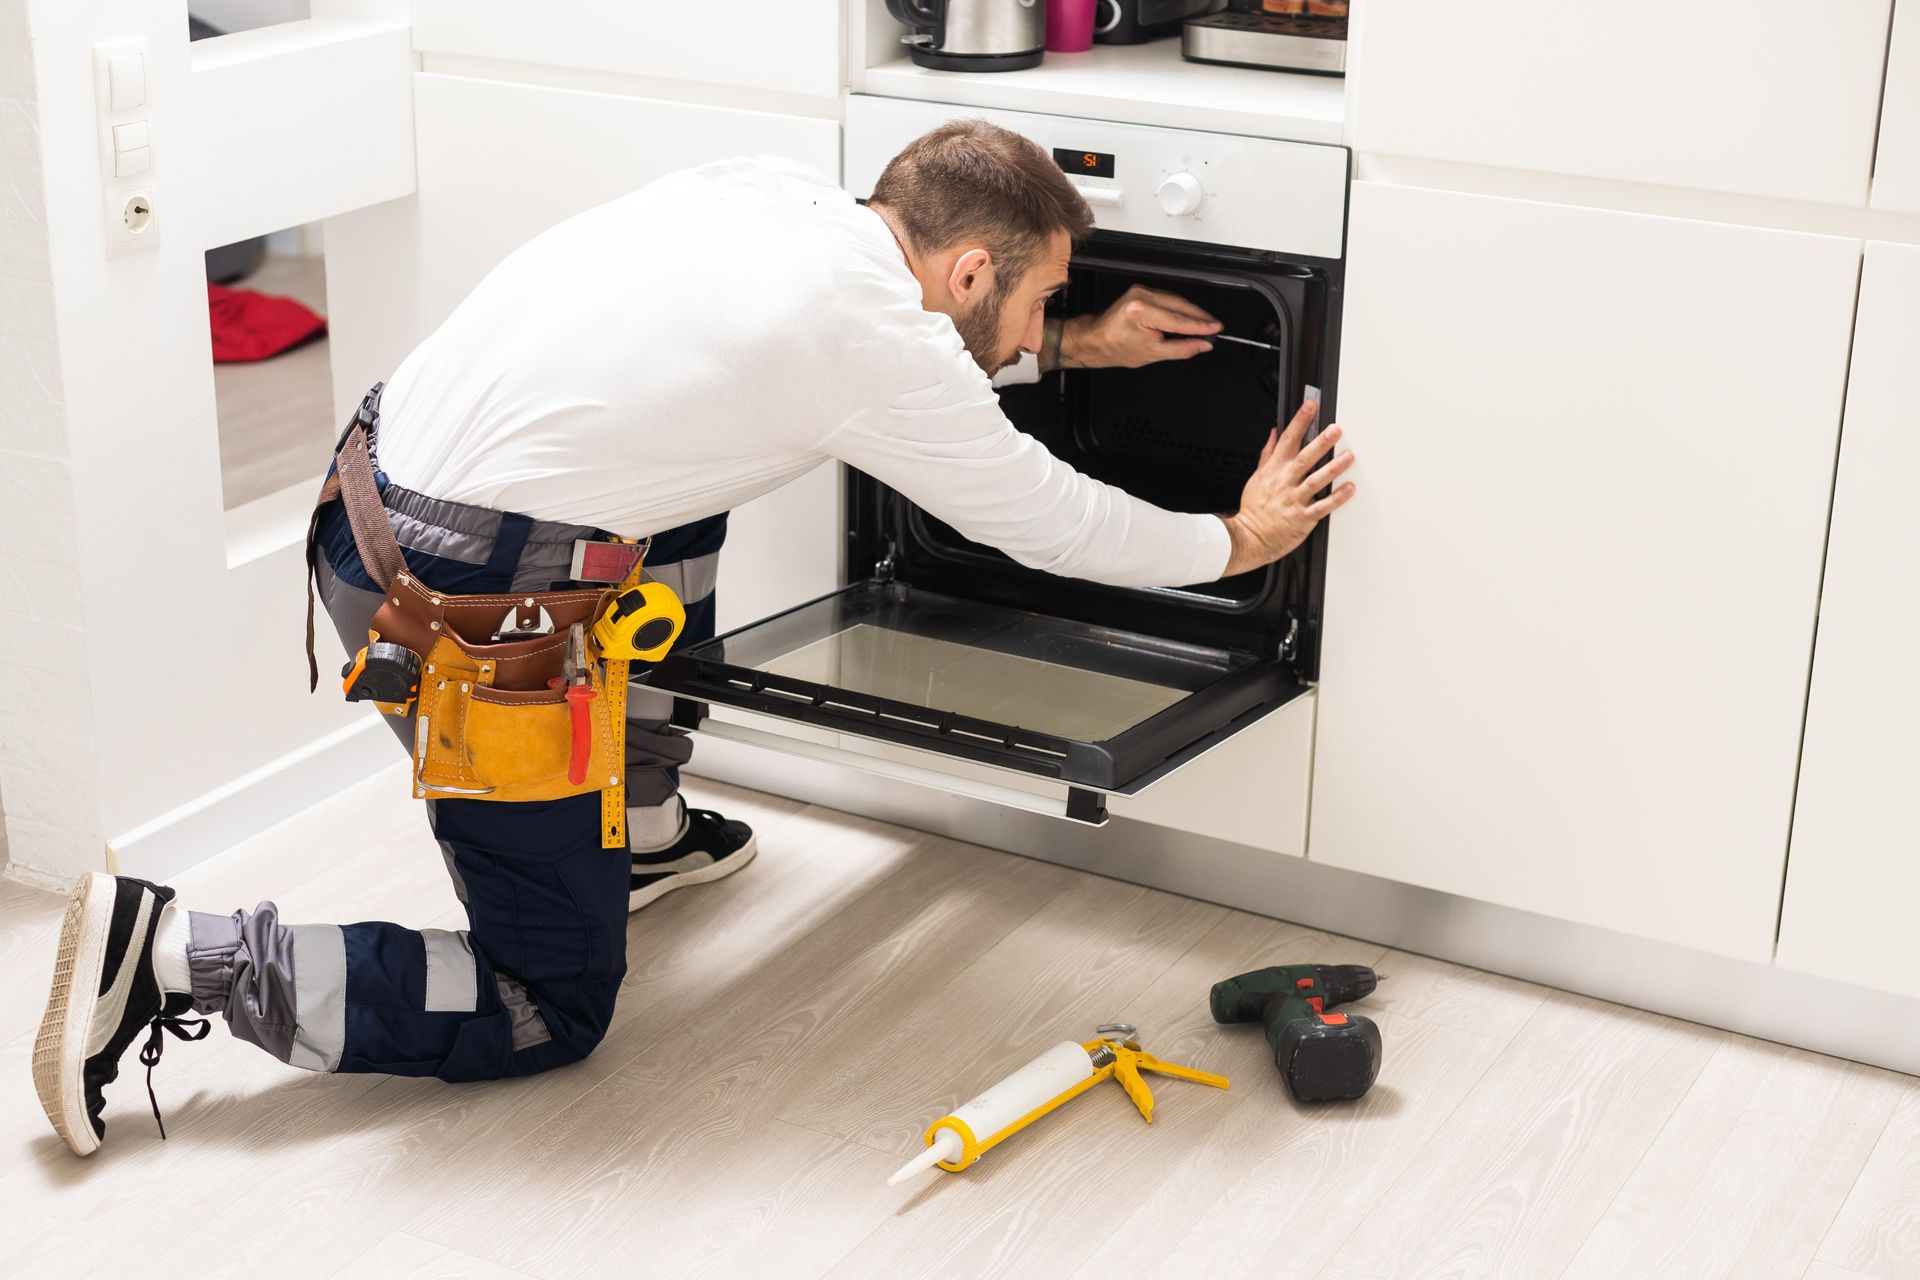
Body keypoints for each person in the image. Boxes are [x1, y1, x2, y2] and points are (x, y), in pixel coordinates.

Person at [32, 121, 1355, 1156]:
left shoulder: (776, 197)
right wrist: (1234, 542)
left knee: (691, 477)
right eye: (1033, 300)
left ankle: (644, 833)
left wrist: (1070, 338)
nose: (1029, 329)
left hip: (370, 498)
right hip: (467, 615)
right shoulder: (871, 343)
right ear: (963, 271)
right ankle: (168, 959)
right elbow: (1047, 521)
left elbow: (873, 362)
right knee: (545, 1003)